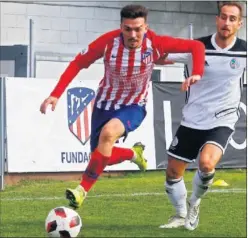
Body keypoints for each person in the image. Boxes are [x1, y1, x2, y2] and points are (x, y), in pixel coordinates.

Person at [40, 4, 205, 210]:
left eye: (138, 29)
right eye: (128, 29)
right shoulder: (108, 43)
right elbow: (78, 63)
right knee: (100, 156)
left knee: (108, 135)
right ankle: (133, 154)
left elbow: (196, 47)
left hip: (135, 105)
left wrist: (197, 72)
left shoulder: (156, 43)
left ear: (146, 27)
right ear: (121, 27)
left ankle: (81, 190)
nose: (133, 34)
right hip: (104, 104)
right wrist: (56, 94)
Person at [158, 2, 247, 231]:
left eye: (232, 19)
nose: (226, 23)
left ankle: (194, 203)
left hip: (223, 119)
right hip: (192, 120)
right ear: (217, 19)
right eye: (223, 17)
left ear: (240, 23)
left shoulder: (244, 51)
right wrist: (157, 54)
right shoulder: (195, 47)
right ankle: (180, 214)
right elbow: (162, 57)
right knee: (172, 173)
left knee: (206, 163)